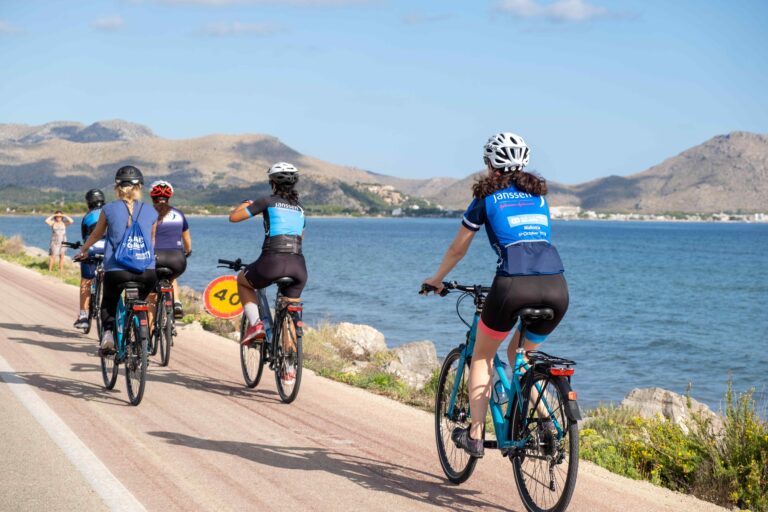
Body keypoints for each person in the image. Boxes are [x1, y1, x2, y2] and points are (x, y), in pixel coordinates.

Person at [422, 132, 568, 458]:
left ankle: (475, 434)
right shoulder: (540, 198)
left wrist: (436, 280)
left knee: (483, 356)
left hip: (513, 286)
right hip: (557, 288)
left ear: (491, 164)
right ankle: (546, 424)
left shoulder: (486, 199)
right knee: (521, 353)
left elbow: (457, 249)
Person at [229, 162, 307, 380]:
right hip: (299, 267)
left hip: (272, 262)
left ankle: (255, 325)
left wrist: (244, 205)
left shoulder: (266, 201)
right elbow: (300, 238)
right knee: (289, 311)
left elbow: (234, 218)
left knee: (243, 281)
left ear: (272, 183)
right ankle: (289, 368)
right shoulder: (300, 208)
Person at [76, 166, 158, 351]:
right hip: (147, 272)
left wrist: (83, 249)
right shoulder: (151, 211)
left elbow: (97, 234)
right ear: (140, 188)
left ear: (117, 188)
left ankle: (108, 334)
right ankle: (141, 327)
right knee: (141, 301)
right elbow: (151, 241)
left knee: (109, 302)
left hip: (117, 271)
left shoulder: (109, 209)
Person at [148, 180, 191, 320]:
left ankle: (148, 332)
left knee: (152, 295)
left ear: (152, 197)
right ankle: (176, 302)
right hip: (177, 259)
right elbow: (187, 242)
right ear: (169, 197)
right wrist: (187, 251)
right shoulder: (179, 214)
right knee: (171, 277)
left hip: (154, 257)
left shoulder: (146, 213)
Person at [74, 189, 106, 329]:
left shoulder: (88, 216)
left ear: (88, 203)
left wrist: (83, 251)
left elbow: (85, 238)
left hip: (92, 249)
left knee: (86, 281)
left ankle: (83, 316)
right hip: (110, 250)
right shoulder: (110, 213)